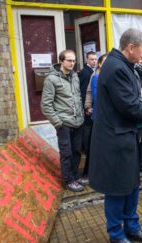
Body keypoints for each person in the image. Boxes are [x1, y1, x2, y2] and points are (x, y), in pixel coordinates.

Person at [89, 28, 142, 243]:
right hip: (114, 141)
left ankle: (132, 228)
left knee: (131, 186)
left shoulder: (123, 65)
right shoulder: (116, 67)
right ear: (131, 47)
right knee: (117, 189)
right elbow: (129, 105)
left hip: (124, 137)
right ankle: (116, 235)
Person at [41, 49, 85, 192]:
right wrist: (58, 123)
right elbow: (46, 105)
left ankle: (75, 176)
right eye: (69, 60)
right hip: (64, 123)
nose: (72, 63)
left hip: (78, 122)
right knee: (67, 153)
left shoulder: (75, 77)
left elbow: (77, 98)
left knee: (77, 151)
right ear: (61, 61)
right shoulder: (51, 79)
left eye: (74, 60)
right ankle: (68, 180)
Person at [78, 51, 98, 180]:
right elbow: (86, 92)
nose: (94, 61)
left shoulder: (93, 72)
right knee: (89, 142)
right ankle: (87, 172)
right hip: (89, 113)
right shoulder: (86, 73)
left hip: (92, 112)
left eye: (95, 59)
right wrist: (87, 108)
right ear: (87, 60)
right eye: (92, 59)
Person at [84, 54, 107, 124]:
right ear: (100, 64)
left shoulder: (112, 74)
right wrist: (88, 106)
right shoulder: (95, 76)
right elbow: (89, 92)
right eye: (105, 62)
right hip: (99, 112)